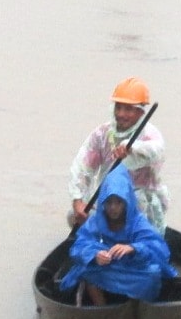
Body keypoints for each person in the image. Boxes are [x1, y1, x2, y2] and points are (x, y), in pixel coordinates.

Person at [60, 165, 176, 305]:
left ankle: (137, 307)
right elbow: (78, 247)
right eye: (109, 203)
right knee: (86, 270)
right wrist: (96, 255)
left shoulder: (137, 221)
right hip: (107, 267)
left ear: (126, 202)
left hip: (132, 268)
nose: (113, 208)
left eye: (118, 202)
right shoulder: (95, 221)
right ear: (103, 202)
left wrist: (133, 248)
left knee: (152, 275)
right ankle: (102, 310)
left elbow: (160, 249)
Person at [68, 77, 169, 232]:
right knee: (73, 216)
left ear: (140, 111)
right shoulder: (102, 134)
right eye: (118, 108)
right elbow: (82, 169)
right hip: (110, 202)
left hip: (142, 207)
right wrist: (78, 201)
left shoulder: (150, 135)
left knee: (140, 203)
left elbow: (155, 151)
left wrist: (131, 148)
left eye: (128, 109)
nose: (121, 114)